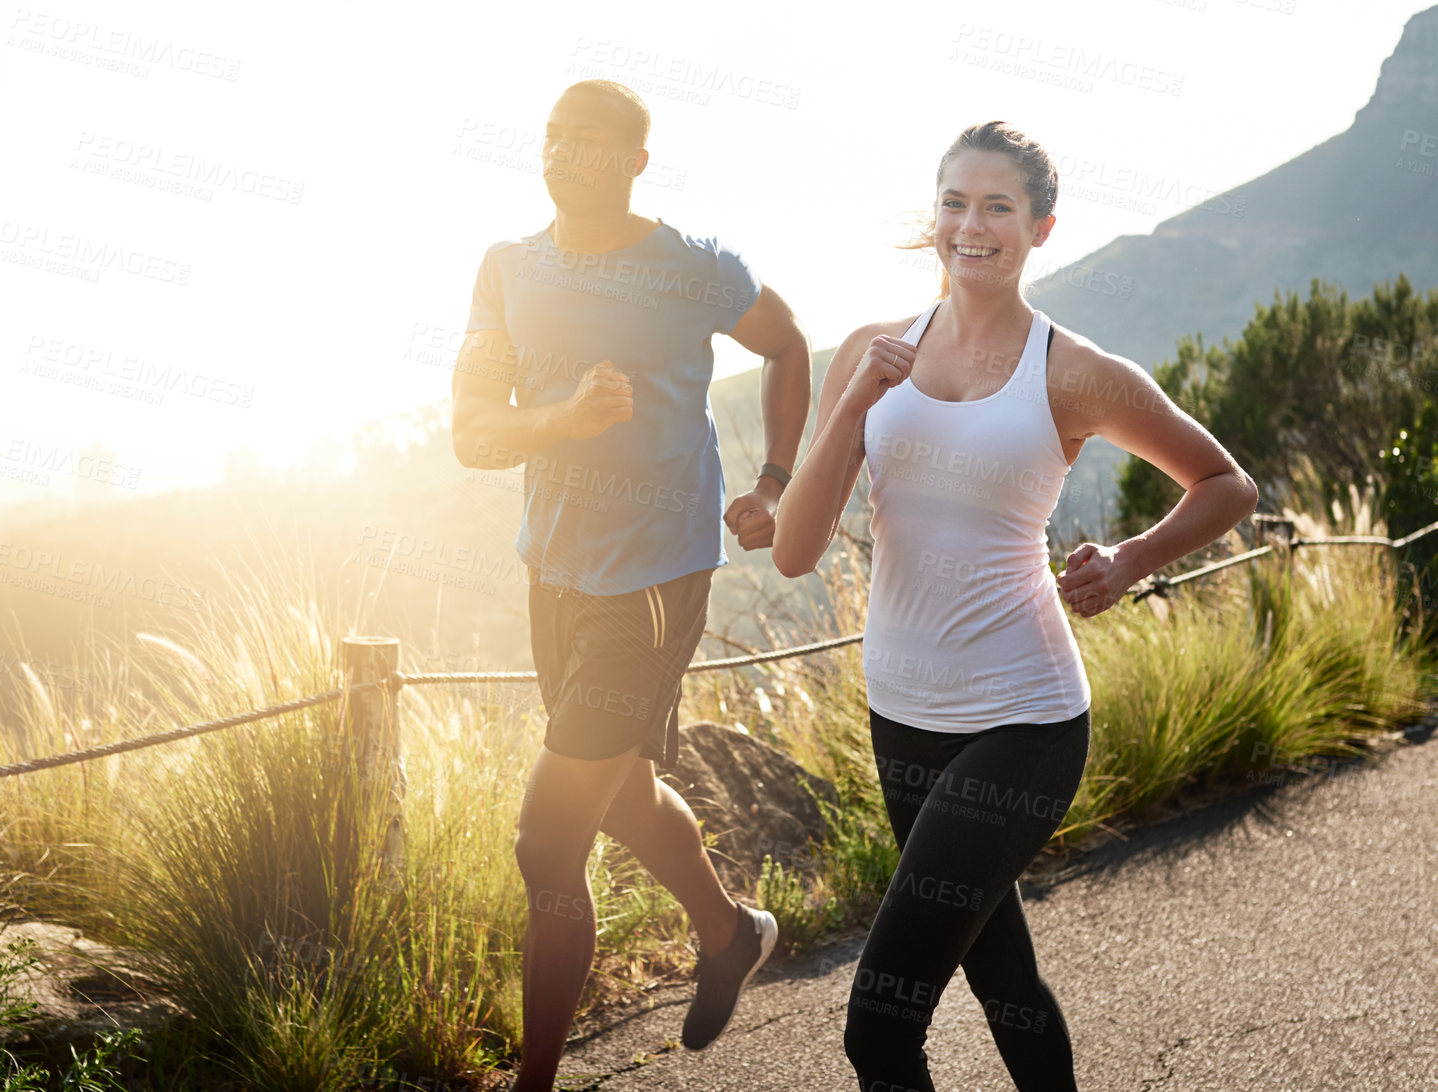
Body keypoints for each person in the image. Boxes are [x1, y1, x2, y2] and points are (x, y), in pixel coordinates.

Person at [771, 120, 1259, 1091]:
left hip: (1025, 720)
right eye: (955, 202)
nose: (972, 225)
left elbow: (1225, 484)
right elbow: (792, 549)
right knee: (1003, 977)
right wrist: (850, 406)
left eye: (998, 206)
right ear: (934, 215)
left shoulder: (1071, 370)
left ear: (1041, 224)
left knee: (880, 1026)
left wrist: (1128, 559)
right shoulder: (873, 354)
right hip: (900, 716)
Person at [450, 78, 813, 1090]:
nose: (565, 153)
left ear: (638, 160)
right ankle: (730, 932)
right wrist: (555, 420)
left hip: (652, 582)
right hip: (554, 576)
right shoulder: (507, 269)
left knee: (545, 843)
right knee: (619, 794)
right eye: (553, 134)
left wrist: (774, 483)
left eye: (592, 140)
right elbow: (472, 430)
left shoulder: (690, 269)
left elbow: (786, 342)